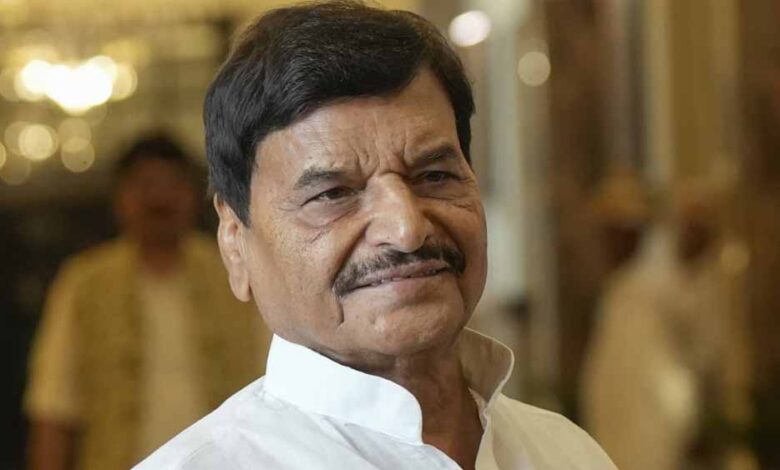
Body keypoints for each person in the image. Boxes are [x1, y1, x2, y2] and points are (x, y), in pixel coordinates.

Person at [137, 2, 617, 469]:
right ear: (234, 242)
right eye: (333, 194)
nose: (407, 229)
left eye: (434, 176)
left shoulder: (566, 453)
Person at [25, 134, 270, 470]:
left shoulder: (238, 271)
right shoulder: (84, 284)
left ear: (197, 195)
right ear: (119, 198)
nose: (159, 198)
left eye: (172, 184)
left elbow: (272, 394)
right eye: (145, 185)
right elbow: (54, 408)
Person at [581, 183, 754, 470]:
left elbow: (705, 349)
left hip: (656, 415)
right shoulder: (623, 285)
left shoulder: (674, 282)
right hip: (615, 413)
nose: (611, 241)